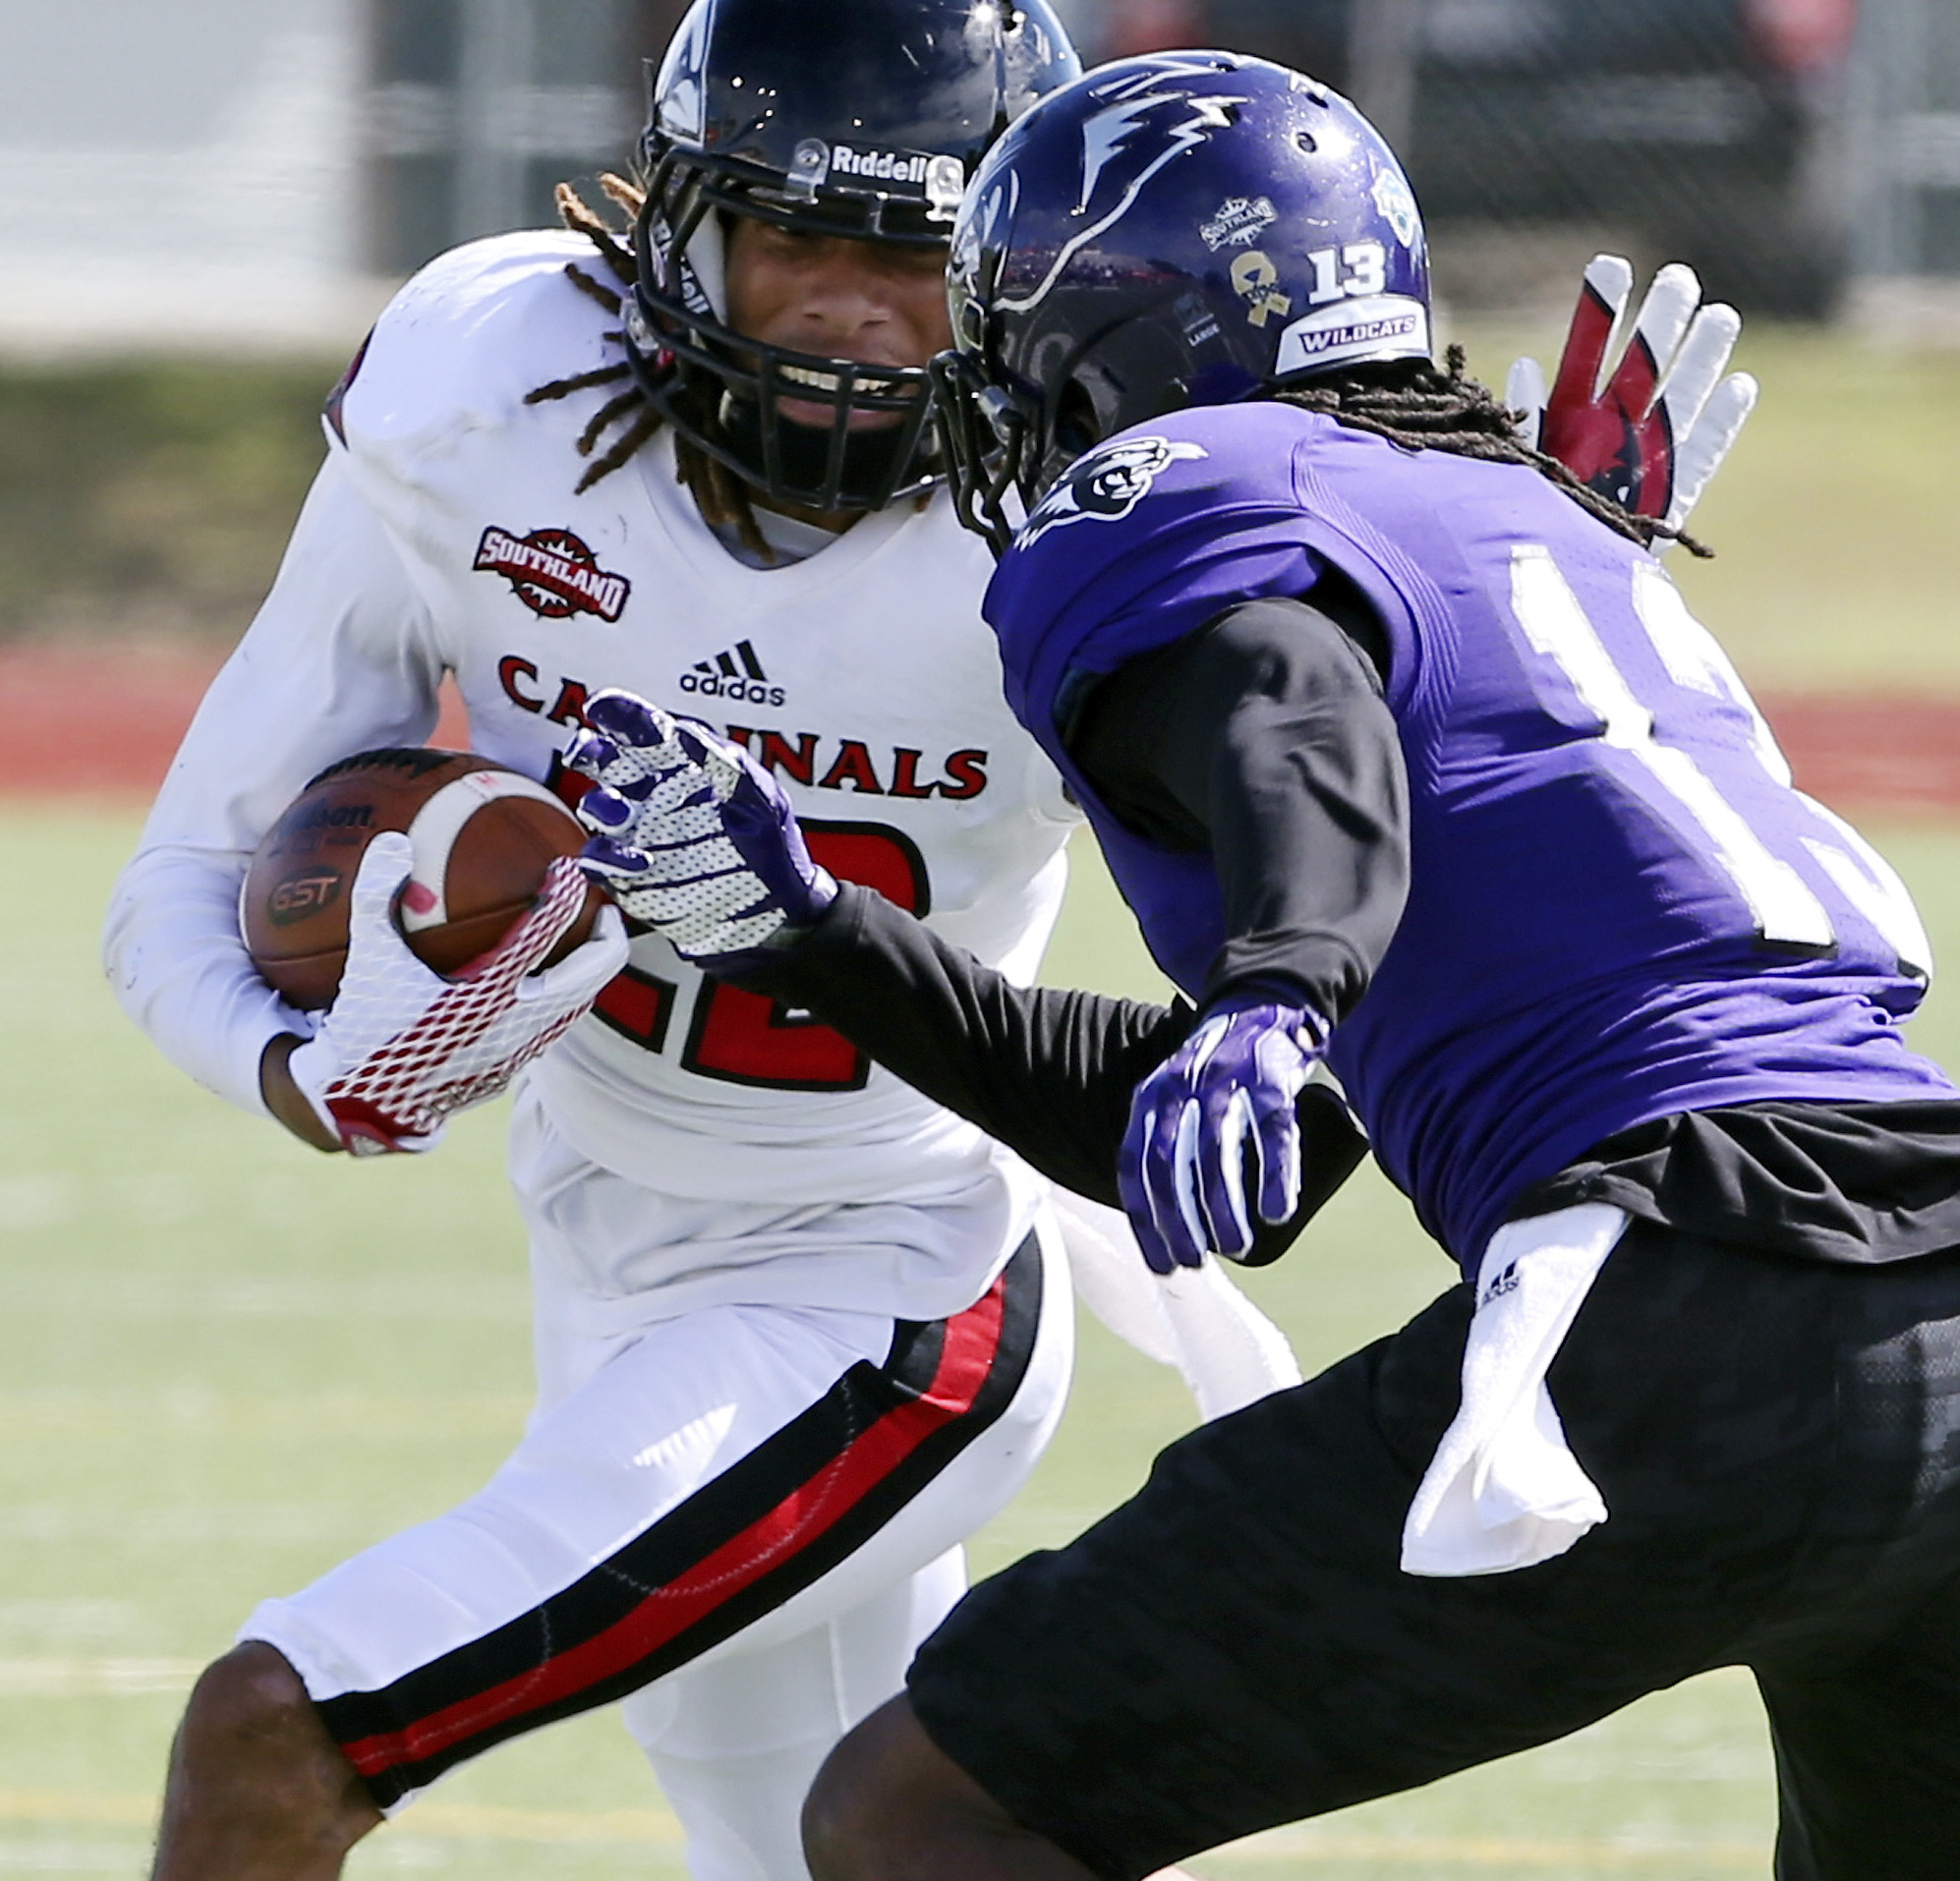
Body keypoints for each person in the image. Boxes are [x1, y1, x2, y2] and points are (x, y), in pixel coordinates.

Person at [561, 50, 1960, 1881]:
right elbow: (1265, 1154)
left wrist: (1278, 980)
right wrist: (822, 935)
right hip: (1921, 1283)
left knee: (916, 1809)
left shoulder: (1182, 492)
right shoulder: (1545, 538)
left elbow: (1291, 711)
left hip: (1701, 1293)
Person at [103, 6, 1103, 1879]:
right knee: (844, 1852)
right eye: (799, 235)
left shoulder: (1074, 518)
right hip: (610, 1237)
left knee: (277, 1727)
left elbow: (1339, 841)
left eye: (916, 256)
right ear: (675, 226)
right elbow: (185, 875)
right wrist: (296, 1068)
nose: (852, 312)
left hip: (891, 1278)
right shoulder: (488, 397)